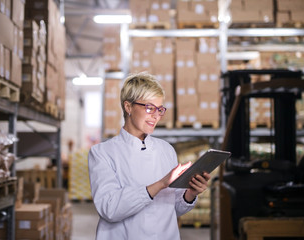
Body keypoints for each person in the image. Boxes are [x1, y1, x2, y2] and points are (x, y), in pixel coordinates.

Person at [88, 72, 211, 239]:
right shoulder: (103, 153)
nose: (156, 115)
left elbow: (175, 208)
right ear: (128, 107)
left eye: (160, 109)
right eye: (149, 108)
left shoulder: (166, 150)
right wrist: (161, 184)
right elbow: (109, 209)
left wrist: (190, 193)